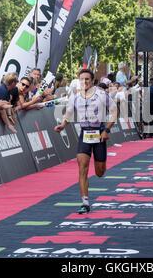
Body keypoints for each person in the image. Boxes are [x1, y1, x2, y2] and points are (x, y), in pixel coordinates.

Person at [54, 68, 117, 214]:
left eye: (87, 79)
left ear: (92, 80)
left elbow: (114, 111)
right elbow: (69, 113)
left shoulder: (101, 95)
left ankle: (100, 167)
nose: (84, 82)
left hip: (99, 133)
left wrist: (107, 129)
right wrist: (63, 125)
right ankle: (85, 203)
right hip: (85, 134)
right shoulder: (75, 97)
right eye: (82, 79)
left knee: (100, 172)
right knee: (82, 169)